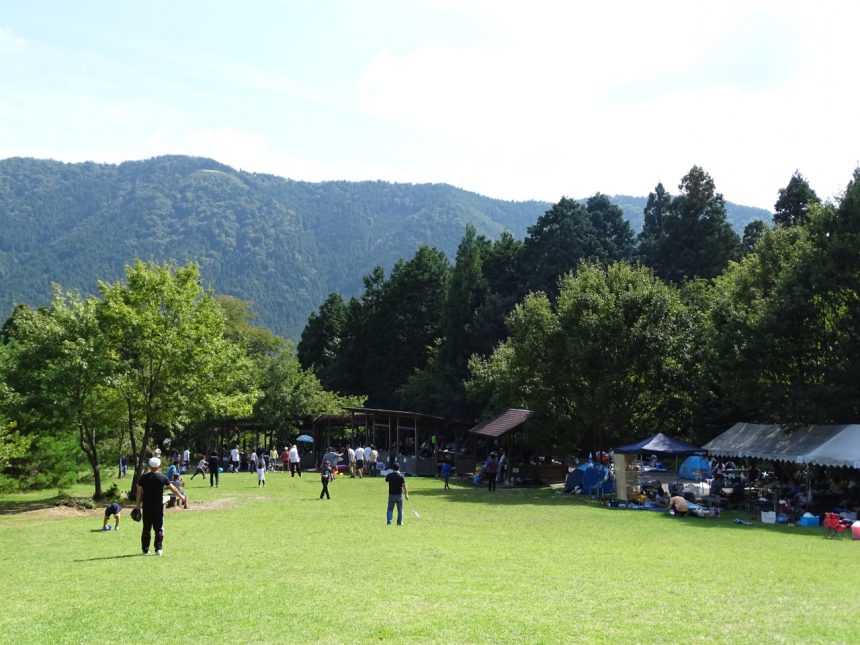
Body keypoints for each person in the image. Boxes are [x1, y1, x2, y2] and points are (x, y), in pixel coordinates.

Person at [135, 457, 185, 556]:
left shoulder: (143, 478)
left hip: (147, 508)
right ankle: (158, 549)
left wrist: (137, 506)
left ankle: (145, 550)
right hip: (158, 508)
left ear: (149, 466)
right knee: (159, 529)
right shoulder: (163, 477)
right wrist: (181, 496)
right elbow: (173, 488)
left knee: (146, 528)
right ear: (158, 466)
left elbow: (139, 493)